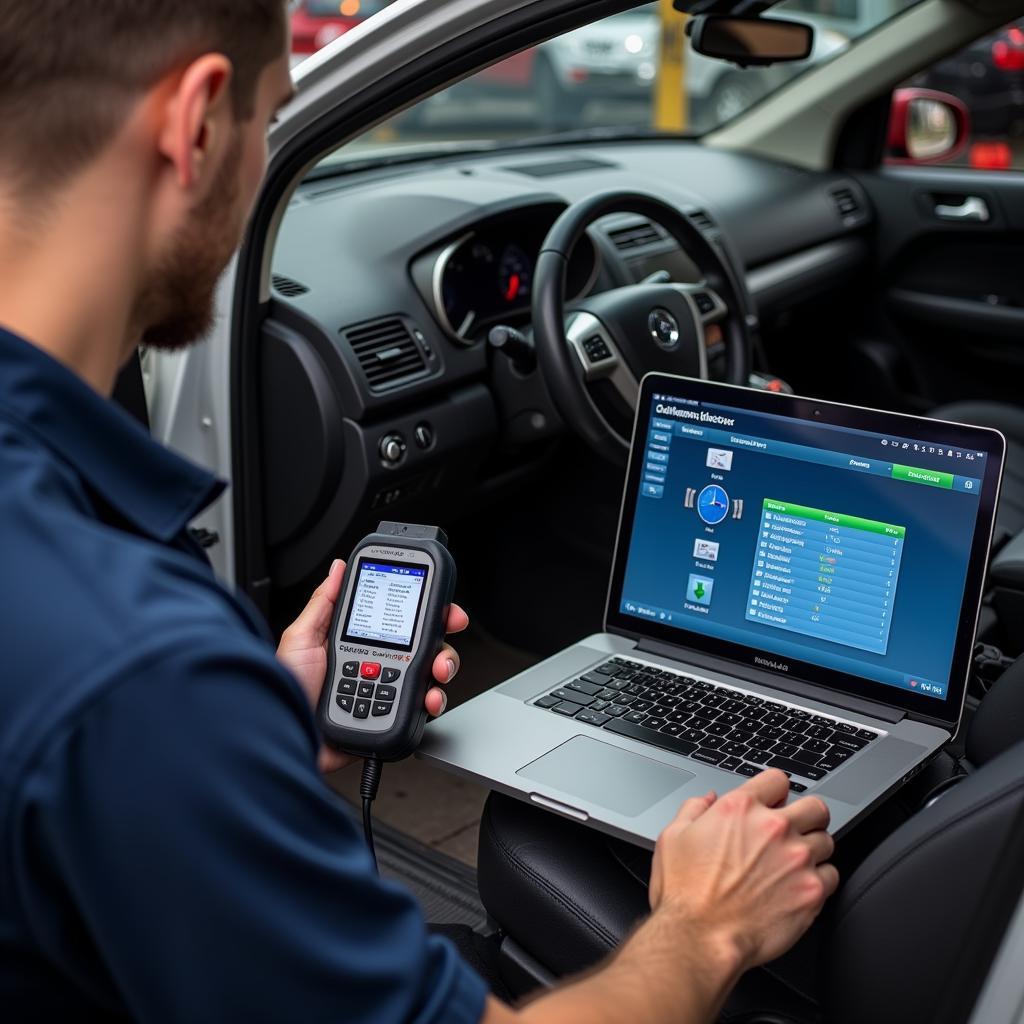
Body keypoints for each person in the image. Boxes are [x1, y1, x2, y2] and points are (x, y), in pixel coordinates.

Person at [0, 3, 838, 1021]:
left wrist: (256, 726)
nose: (264, 159)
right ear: (199, 122)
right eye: (272, 120)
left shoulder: (118, 656)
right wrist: (707, 927)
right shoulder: (142, 673)